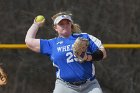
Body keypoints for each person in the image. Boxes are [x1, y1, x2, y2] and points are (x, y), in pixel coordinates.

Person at [25, 11, 107, 93]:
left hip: (89, 85)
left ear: (71, 25)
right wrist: (36, 25)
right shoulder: (51, 44)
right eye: (61, 24)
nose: (65, 26)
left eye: (67, 23)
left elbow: (103, 53)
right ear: (55, 28)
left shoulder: (84, 37)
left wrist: (88, 57)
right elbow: (28, 41)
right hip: (65, 86)